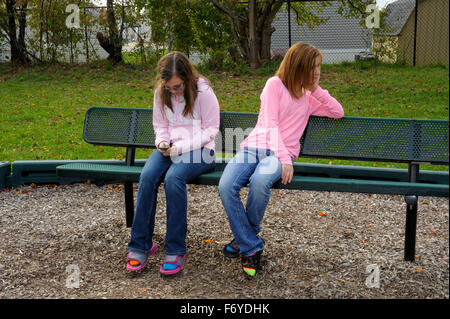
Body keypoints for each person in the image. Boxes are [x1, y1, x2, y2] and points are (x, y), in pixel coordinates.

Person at [218, 42, 344, 277]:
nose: (318, 72)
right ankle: (251, 244)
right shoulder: (274, 85)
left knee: (259, 181)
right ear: (299, 66)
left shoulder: (308, 96)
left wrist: (316, 89)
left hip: (278, 155)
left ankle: (244, 239)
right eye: (313, 67)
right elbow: (270, 125)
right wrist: (286, 159)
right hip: (254, 147)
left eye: (319, 67)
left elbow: (337, 111)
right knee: (226, 186)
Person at [126, 51, 220, 275]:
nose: (174, 91)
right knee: (148, 177)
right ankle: (141, 245)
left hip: (201, 150)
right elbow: (160, 125)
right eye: (169, 87)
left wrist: (182, 148)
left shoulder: (203, 91)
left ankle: (176, 249)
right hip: (171, 149)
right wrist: (162, 143)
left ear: (187, 79)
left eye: (177, 87)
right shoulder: (162, 92)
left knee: (173, 178)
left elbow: (211, 130)